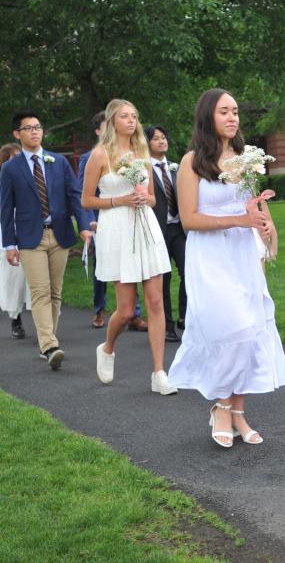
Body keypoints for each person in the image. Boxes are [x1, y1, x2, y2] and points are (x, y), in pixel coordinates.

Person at [167, 88, 285, 447]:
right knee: (228, 328)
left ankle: (238, 411)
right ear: (208, 116)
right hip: (209, 255)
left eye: (235, 111)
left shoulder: (245, 158)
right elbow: (189, 220)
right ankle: (221, 406)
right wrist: (239, 220)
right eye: (224, 111)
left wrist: (266, 226)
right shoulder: (192, 162)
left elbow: (252, 206)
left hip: (242, 254)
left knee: (250, 329)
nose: (232, 117)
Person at [81, 100, 175, 393]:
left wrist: (143, 198)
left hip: (146, 227)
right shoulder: (99, 155)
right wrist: (119, 200)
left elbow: (152, 198)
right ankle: (108, 347)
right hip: (117, 230)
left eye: (135, 115)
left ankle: (159, 373)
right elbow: (86, 200)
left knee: (156, 302)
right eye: (125, 116)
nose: (132, 120)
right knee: (125, 311)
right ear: (112, 121)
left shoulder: (142, 152)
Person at [0, 110, 92, 370]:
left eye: (38, 127)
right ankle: (50, 344)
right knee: (40, 292)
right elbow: (7, 209)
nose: (35, 132)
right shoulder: (10, 168)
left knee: (55, 292)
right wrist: (10, 244)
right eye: (28, 128)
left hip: (60, 234)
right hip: (30, 239)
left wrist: (84, 227)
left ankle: (47, 340)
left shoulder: (58, 161)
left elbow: (75, 195)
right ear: (17, 134)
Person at [77, 111, 148, 332]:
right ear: (100, 130)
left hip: (136, 219)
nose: (130, 122)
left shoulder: (137, 154)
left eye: (134, 117)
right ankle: (100, 308)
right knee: (107, 270)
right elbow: (85, 194)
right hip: (104, 219)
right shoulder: (92, 157)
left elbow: (147, 191)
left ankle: (134, 313)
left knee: (134, 269)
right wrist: (89, 224)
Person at [146, 124, 187, 343]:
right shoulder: (144, 169)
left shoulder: (175, 167)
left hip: (179, 228)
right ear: (147, 143)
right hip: (157, 231)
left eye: (164, 138)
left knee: (188, 272)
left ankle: (185, 317)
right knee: (164, 278)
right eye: (156, 139)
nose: (162, 141)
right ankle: (166, 326)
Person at [0, 144, 30, 339]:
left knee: (34, 281)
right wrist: (9, 206)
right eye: (12, 158)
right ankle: (16, 319)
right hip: (7, 238)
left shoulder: (30, 178)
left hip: (29, 235)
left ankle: (43, 321)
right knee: (13, 282)